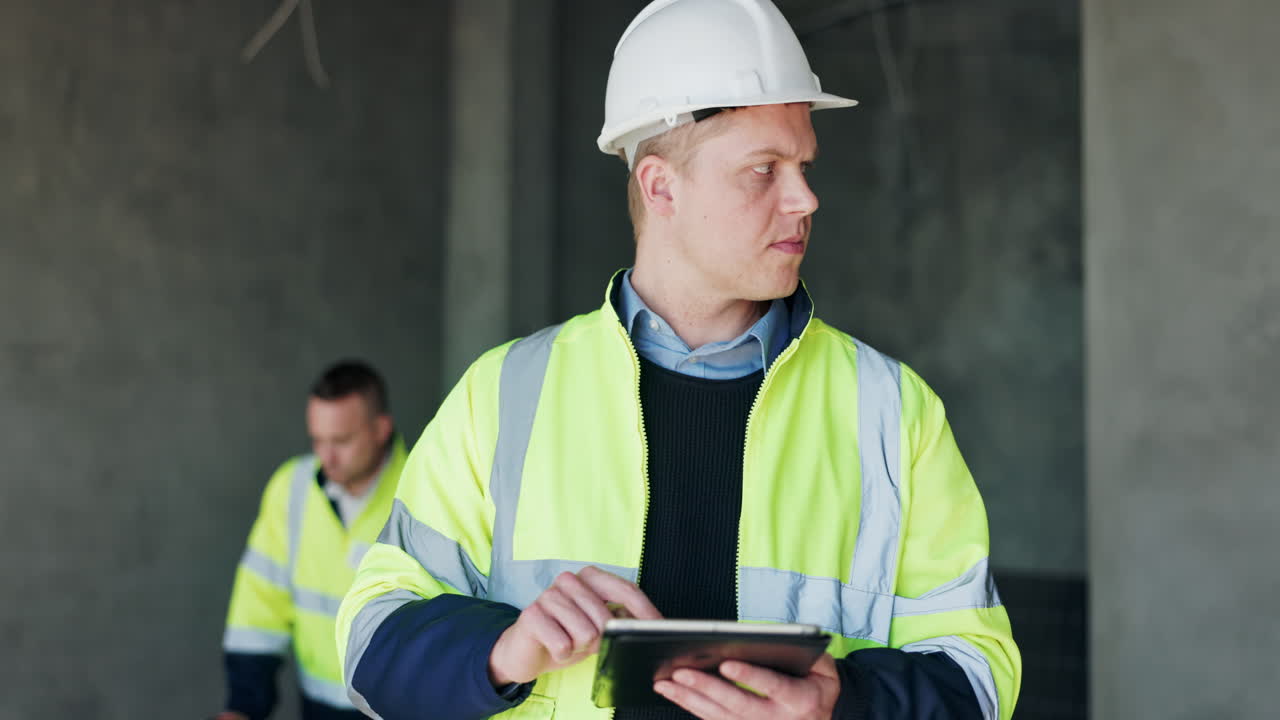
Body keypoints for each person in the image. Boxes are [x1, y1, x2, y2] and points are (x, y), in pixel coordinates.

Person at [336, 1, 1021, 718]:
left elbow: (978, 672)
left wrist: (843, 704)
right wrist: (503, 649)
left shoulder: (892, 412)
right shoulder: (503, 395)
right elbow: (368, 643)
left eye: (804, 165)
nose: (806, 197)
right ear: (661, 186)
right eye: (765, 170)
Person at [215, 361, 408, 720]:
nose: (326, 457)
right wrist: (243, 706)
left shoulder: (420, 494)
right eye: (317, 440)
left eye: (341, 441)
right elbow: (258, 604)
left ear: (381, 429)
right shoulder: (292, 488)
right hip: (317, 709)